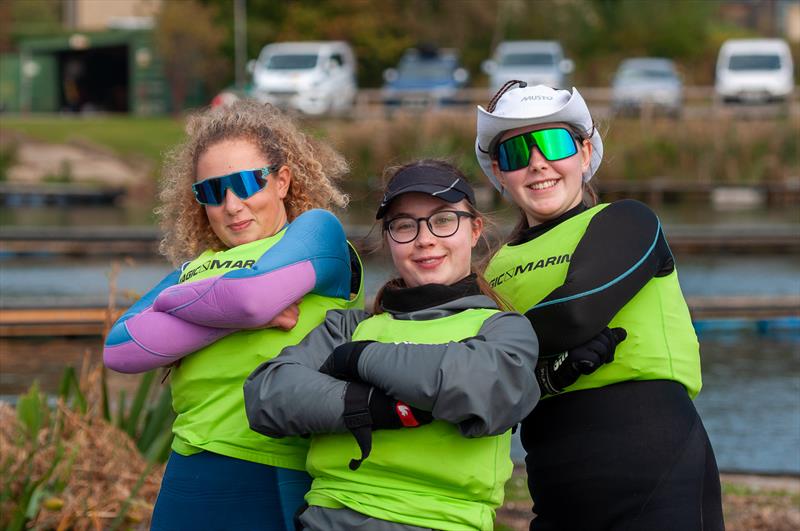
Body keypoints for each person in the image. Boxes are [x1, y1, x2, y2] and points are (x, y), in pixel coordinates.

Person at [103, 99, 364, 531]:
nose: (231, 204)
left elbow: (251, 300)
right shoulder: (197, 266)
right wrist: (236, 315)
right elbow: (121, 348)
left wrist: (179, 308)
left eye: (245, 183)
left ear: (281, 180)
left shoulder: (317, 233)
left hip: (281, 466)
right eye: (211, 191)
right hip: (191, 466)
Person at [475, 82, 725, 530]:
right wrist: (547, 376)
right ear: (499, 172)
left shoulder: (627, 220)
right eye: (516, 153)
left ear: (585, 154)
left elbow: (576, 312)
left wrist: (499, 351)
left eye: (553, 143)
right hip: (554, 477)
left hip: (655, 462)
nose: (538, 163)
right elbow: (480, 386)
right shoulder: (491, 270)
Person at [244, 159, 541, 531]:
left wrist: (359, 357)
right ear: (388, 238)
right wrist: (381, 408)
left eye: (444, 219)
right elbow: (268, 394)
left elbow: (485, 387)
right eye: (404, 225)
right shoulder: (349, 326)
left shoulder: (502, 329)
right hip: (326, 520)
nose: (425, 239)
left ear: (475, 229)